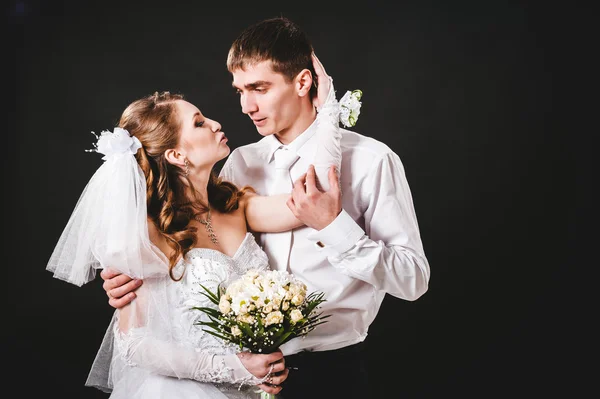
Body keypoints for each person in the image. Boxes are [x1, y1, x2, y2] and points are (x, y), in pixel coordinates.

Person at [101, 16, 431, 399]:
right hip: (241, 377)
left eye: (258, 88)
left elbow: (413, 280)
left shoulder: (374, 161)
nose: (245, 106)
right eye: (240, 90)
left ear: (303, 82)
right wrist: (130, 277)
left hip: (332, 370)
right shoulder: (238, 165)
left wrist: (334, 225)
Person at [46, 53, 343, 398]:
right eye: (200, 123)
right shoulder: (148, 228)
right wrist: (236, 368)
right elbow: (133, 344)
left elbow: (316, 197)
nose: (216, 124)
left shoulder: (238, 206)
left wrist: (327, 112)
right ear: (176, 155)